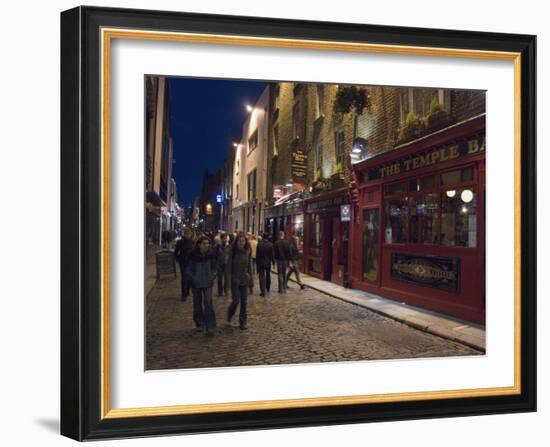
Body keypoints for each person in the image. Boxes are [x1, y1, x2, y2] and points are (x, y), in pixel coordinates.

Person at [185, 236, 217, 335]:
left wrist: (212, 276)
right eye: (204, 243)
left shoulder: (211, 255)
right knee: (197, 304)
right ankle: (199, 323)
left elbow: (215, 267)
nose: (206, 245)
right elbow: (188, 268)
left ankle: (210, 325)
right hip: (196, 283)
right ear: (199, 245)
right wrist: (192, 278)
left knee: (208, 303)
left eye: (208, 243)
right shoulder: (193, 255)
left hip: (208, 282)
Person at [227, 234, 252, 330]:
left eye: (243, 241)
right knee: (236, 301)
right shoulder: (232, 252)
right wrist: (228, 281)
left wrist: (250, 280)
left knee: (244, 302)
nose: (241, 243)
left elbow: (249, 266)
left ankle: (242, 322)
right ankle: (230, 313)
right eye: (239, 241)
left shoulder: (247, 252)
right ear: (236, 242)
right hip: (235, 280)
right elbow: (228, 267)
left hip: (244, 279)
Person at [174, 228, 195, 301]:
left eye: (189, 234)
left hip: (190, 262)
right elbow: (176, 251)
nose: (188, 235)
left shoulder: (192, 242)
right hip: (183, 262)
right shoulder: (180, 242)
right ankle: (184, 294)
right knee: (184, 278)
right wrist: (177, 258)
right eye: (186, 234)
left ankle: (187, 290)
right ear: (184, 234)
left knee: (189, 278)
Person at [256, 232, 274, 297]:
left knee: (261, 276)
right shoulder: (270, 244)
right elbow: (272, 255)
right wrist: (273, 262)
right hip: (268, 262)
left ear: (263, 237)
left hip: (261, 262)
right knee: (268, 275)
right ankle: (268, 287)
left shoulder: (259, 244)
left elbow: (257, 255)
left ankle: (263, 291)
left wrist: (257, 263)